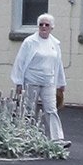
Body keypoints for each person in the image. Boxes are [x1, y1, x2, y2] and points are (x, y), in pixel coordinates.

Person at [12, 13, 69, 148]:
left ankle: (57, 139)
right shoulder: (30, 42)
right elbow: (20, 62)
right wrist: (19, 82)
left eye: (46, 25)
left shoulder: (55, 44)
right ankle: (24, 135)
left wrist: (61, 83)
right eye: (41, 24)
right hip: (31, 80)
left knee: (51, 109)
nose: (43, 27)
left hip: (48, 81)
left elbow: (58, 64)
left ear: (51, 27)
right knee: (28, 108)